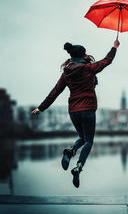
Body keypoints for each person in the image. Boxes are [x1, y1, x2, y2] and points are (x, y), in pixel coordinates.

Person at [31, 38, 120, 188]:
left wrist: (41, 108)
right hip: (88, 109)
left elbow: (55, 92)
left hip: (73, 111)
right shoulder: (89, 68)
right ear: (83, 55)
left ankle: (70, 151)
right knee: (88, 141)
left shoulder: (66, 73)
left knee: (82, 137)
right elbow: (107, 61)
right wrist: (114, 47)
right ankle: (78, 167)